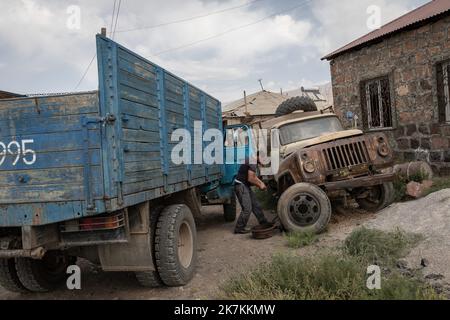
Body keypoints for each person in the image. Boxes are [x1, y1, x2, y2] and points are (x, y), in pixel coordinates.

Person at [234, 154, 269, 234]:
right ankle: (239, 228)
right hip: (241, 186)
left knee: (256, 205)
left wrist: (261, 183)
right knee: (247, 209)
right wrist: (260, 185)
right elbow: (250, 179)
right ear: (259, 155)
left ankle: (264, 223)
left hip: (244, 186)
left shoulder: (252, 160)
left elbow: (253, 176)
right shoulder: (252, 162)